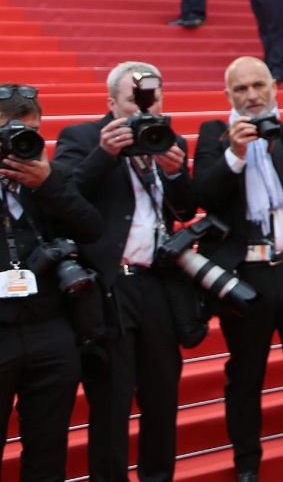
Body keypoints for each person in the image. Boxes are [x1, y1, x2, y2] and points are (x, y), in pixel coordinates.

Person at [192, 57, 283, 482]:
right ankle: (247, 467)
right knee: (245, 377)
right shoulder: (214, 134)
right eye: (241, 89)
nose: (252, 95)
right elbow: (204, 194)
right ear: (228, 96)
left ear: (274, 87)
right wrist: (236, 155)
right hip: (245, 276)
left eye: (259, 85)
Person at [53, 62, 198, 482]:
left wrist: (175, 172)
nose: (145, 108)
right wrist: (105, 153)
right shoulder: (83, 138)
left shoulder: (168, 141)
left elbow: (185, 209)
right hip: (110, 286)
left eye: (153, 98)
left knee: (162, 397)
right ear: (112, 103)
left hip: (158, 284)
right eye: (135, 100)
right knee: (112, 402)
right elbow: (63, 200)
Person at [0, 83, 101, 481]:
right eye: (9, 131)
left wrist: (47, 185)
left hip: (50, 328)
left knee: (48, 454)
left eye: (31, 132)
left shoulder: (52, 177)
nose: (19, 142)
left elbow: (91, 228)